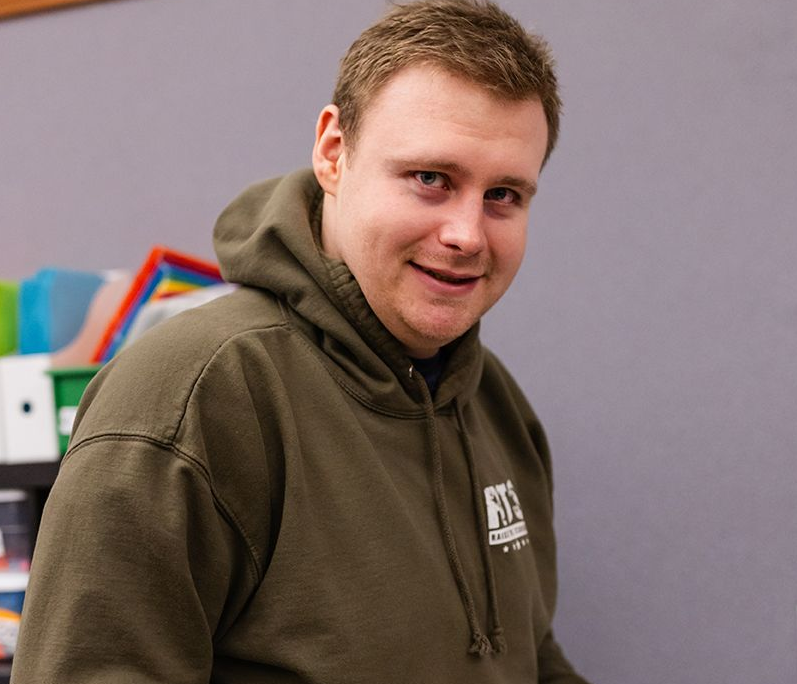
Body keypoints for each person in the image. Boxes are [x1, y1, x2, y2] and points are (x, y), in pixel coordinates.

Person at [13, 1, 591, 682]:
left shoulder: (492, 402)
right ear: (333, 153)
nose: (467, 234)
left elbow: (527, 654)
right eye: (431, 179)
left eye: (503, 195)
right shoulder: (191, 397)